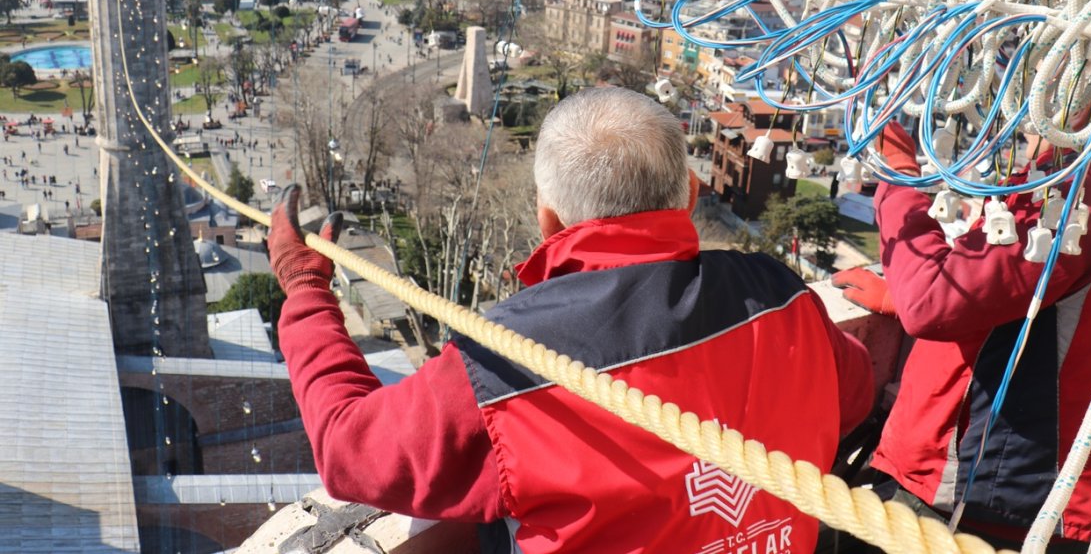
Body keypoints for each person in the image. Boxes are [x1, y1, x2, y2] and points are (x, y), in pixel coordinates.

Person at [269, 87, 873, 554]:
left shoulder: (507, 360)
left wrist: (303, 290)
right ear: (690, 196)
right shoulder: (779, 295)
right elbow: (855, 392)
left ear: (549, 223)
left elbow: (351, 450)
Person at [835, 121, 1091, 552]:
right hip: (1073, 502)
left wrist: (897, 174)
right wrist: (911, 293)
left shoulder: (1082, 191)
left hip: (983, 502)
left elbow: (931, 302)